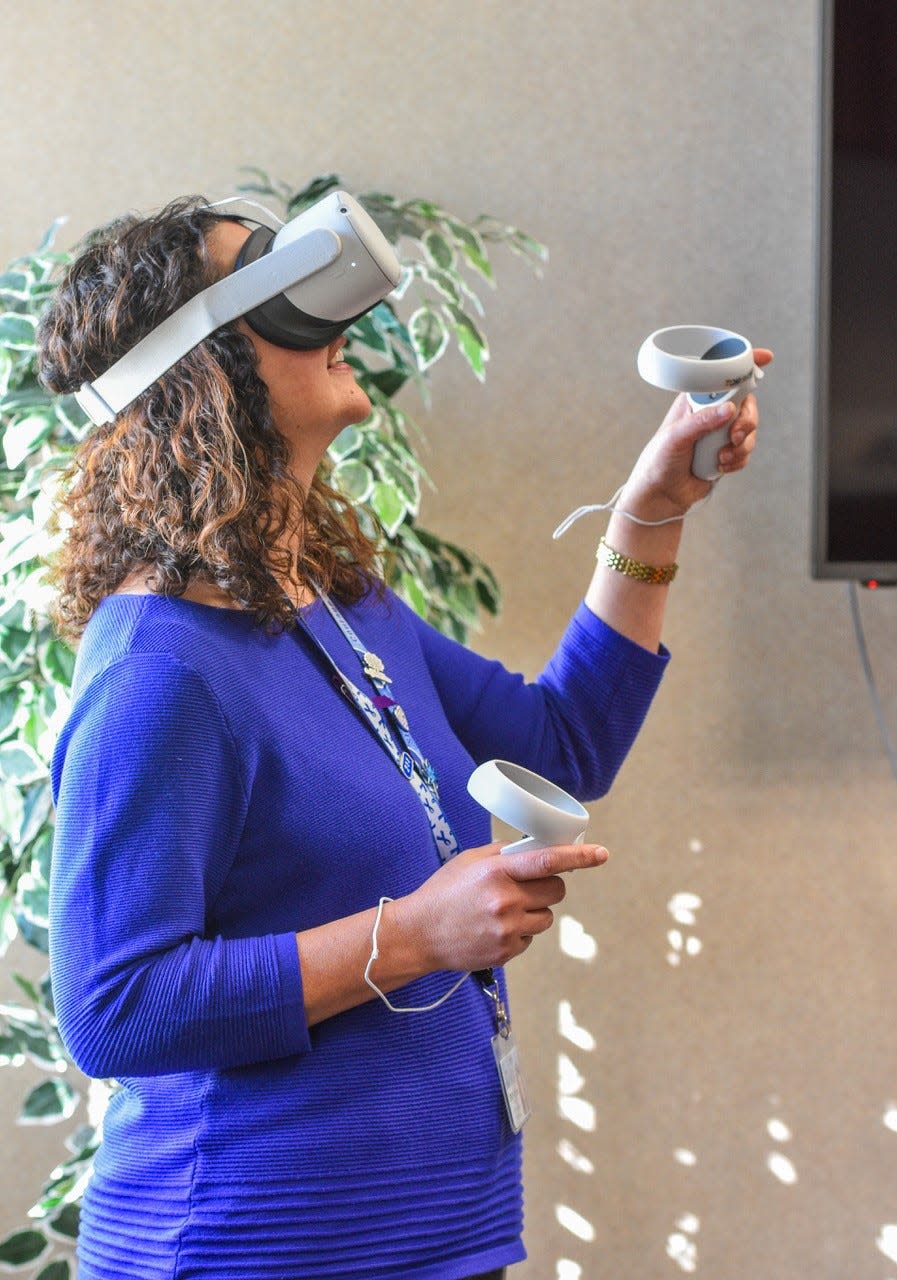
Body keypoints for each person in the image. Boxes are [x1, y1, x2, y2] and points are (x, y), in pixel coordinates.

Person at [39, 194, 769, 1280]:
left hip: (437, 1238)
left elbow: (563, 740)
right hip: (248, 1250)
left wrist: (650, 507)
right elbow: (116, 1008)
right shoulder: (160, 664)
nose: (335, 321)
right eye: (281, 295)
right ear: (204, 371)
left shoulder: (340, 602)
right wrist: (415, 934)